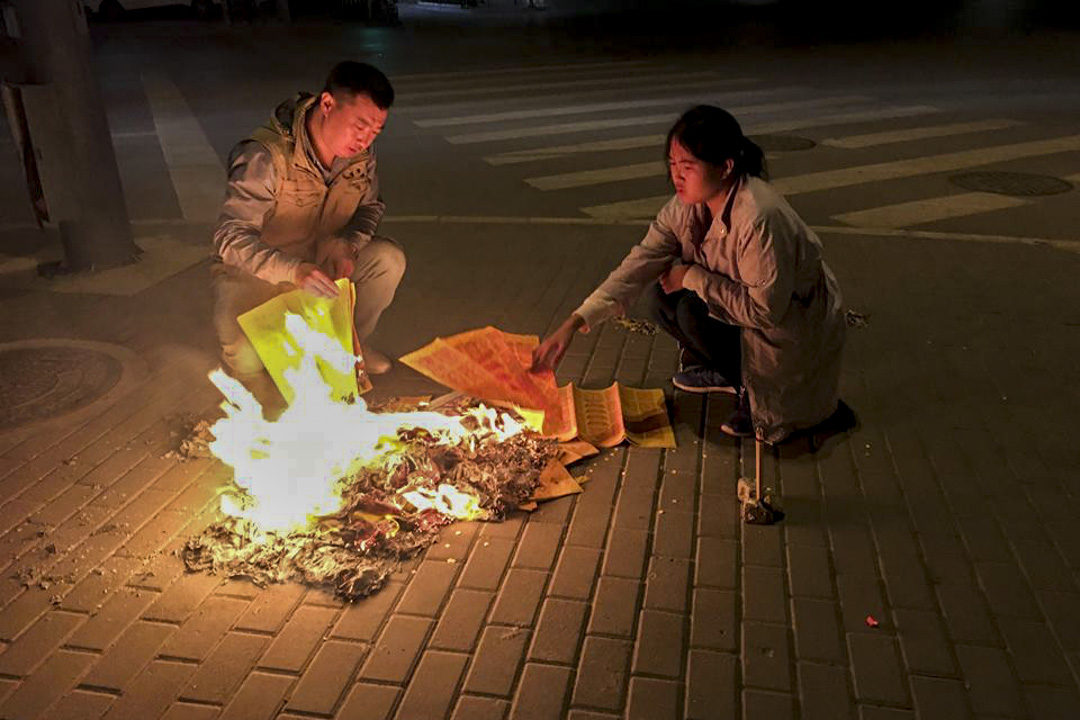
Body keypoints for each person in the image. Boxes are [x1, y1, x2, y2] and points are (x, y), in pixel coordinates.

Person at [531, 105, 845, 443]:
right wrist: (574, 323)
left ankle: (749, 391)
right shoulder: (687, 206)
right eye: (672, 164)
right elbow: (641, 262)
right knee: (661, 296)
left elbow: (765, 311)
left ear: (725, 167)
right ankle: (726, 371)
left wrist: (693, 277)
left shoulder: (758, 218)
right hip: (746, 313)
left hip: (789, 328)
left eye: (688, 166)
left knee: (688, 305)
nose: (676, 176)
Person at [212, 61, 405, 401]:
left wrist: (348, 245)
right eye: (359, 125)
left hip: (322, 265)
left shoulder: (360, 155)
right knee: (247, 360)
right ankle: (256, 370)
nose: (365, 139)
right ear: (327, 104)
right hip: (261, 276)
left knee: (388, 258)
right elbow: (230, 238)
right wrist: (293, 270)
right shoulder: (265, 156)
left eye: (376, 131)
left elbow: (371, 207)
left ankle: (348, 353)